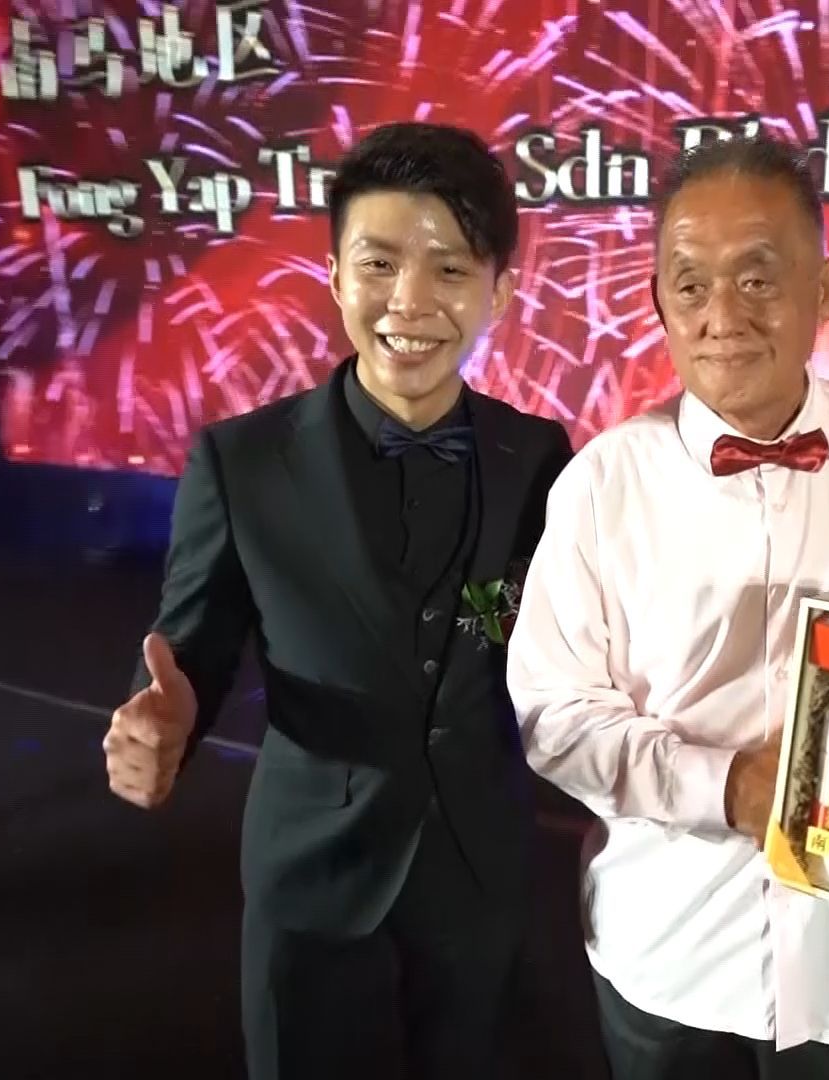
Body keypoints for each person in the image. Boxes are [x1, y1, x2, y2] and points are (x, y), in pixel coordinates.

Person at [101, 121, 573, 1079]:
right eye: (379, 263)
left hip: (479, 866)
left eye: (450, 269)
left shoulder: (538, 456)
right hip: (312, 873)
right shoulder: (241, 461)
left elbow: (542, 630)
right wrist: (169, 718)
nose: (410, 301)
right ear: (333, 275)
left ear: (500, 292)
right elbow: (192, 645)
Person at [506, 133, 829, 1080]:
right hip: (665, 946)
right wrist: (729, 788)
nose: (722, 316)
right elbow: (553, 718)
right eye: (690, 285)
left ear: (826, 291)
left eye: (759, 279)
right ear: (659, 302)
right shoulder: (603, 481)